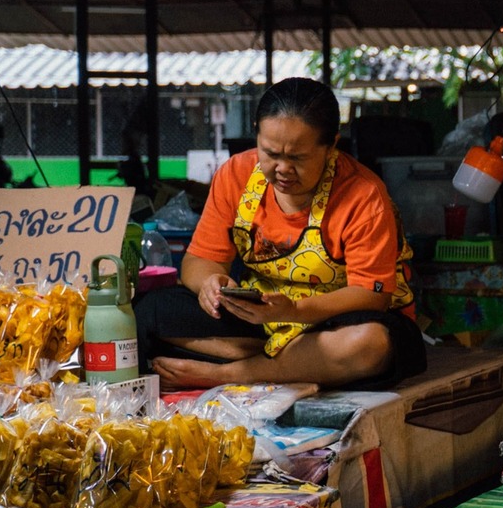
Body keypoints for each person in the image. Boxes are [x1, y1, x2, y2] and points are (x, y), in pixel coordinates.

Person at [136, 77, 428, 389]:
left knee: (371, 344)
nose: (282, 168)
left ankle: (228, 374)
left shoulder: (363, 195)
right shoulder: (235, 174)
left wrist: (295, 311)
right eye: (270, 153)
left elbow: (372, 296)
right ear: (257, 135)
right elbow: (199, 260)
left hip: (337, 319)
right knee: (148, 310)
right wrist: (209, 283)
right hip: (261, 317)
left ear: (331, 148)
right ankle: (293, 364)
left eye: (298, 157)